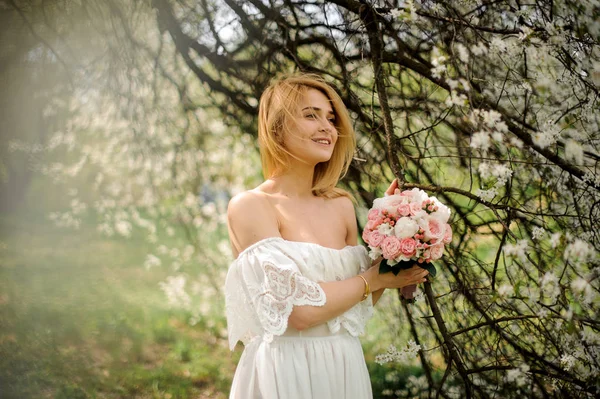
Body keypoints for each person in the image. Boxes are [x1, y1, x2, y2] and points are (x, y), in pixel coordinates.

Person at [224, 74, 429, 398]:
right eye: (311, 115)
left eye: (331, 118)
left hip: (344, 364)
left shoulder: (341, 206)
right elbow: (298, 313)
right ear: (276, 127)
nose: (327, 127)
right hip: (285, 369)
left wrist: (391, 237)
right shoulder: (251, 206)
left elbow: (356, 309)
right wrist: (373, 279)